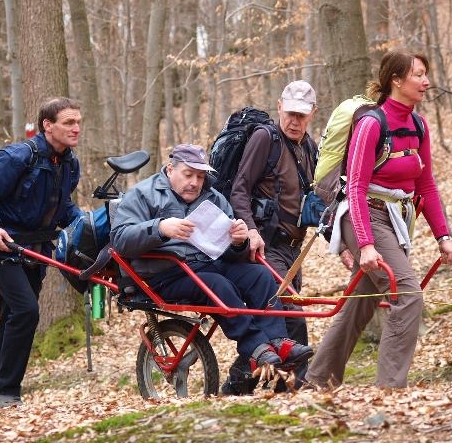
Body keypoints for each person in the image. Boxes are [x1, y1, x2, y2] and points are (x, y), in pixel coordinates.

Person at [305, 49, 452, 389]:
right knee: (407, 295)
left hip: (395, 220)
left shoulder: (418, 125)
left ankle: (316, 381)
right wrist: (366, 244)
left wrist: (443, 236)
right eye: (418, 74)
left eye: (425, 74)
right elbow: (357, 187)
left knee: (359, 304)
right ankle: (390, 389)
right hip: (362, 217)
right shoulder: (372, 124)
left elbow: (427, 185)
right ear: (396, 80)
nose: (426, 81)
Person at [109, 144, 314, 381]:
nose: (195, 182)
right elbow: (120, 239)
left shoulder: (213, 197)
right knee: (217, 285)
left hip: (209, 264)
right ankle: (255, 346)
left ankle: (279, 342)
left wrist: (238, 242)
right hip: (166, 273)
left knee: (260, 276)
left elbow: (229, 252)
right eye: (188, 175)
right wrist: (160, 228)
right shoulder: (143, 194)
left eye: (200, 176)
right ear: (170, 169)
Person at [0, 97, 83, 408]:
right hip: (1, 247)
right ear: (48, 125)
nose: (76, 128)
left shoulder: (70, 163)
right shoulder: (18, 157)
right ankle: (7, 394)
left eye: (79, 122)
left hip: (36, 250)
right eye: (69, 122)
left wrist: (85, 224)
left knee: (11, 320)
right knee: (27, 311)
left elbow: (61, 205)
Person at [228, 80, 319, 391]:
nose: (294, 121)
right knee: (291, 315)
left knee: (277, 321)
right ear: (279, 106)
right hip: (267, 245)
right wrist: (251, 231)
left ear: (312, 114)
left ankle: (238, 385)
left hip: (294, 248)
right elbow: (239, 190)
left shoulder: (309, 147)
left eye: (302, 115)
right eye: (290, 113)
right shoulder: (265, 138)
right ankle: (295, 387)